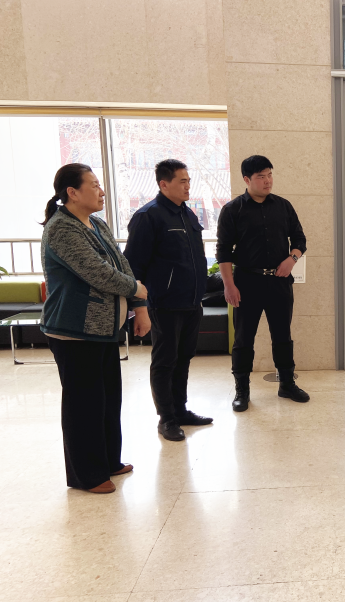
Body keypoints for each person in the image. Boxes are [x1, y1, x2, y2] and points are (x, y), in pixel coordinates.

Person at [40, 163, 150, 493]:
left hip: (103, 330)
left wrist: (139, 306)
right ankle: (86, 475)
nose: (102, 191)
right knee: (84, 405)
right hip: (74, 331)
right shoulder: (62, 229)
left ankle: (107, 461)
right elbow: (97, 272)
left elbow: (121, 264)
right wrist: (136, 289)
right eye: (94, 185)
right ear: (72, 193)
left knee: (107, 400)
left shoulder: (97, 223)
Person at [124, 159, 213, 442]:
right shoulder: (148, 216)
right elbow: (133, 266)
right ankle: (167, 418)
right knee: (165, 361)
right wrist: (139, 307)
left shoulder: (187, 214)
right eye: (182, 181)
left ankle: (180, 410)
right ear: (164, 184)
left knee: (184, 358)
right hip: (164, 304)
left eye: (189, 180)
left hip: (191, 302)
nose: (188, 186)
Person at [216, 155, 309, 410]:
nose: (268, 181)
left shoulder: (283, 206)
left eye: (270, 175)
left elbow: (300, 240)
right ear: (247, 180)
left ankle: (287, 384)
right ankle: (242, 390)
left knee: (282, 336)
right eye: (261, 177)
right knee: (243, 338)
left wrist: (291, 259)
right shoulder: (232, 210)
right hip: (246, 283)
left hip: (279, 282)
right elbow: (223, 251)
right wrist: (229, 285)